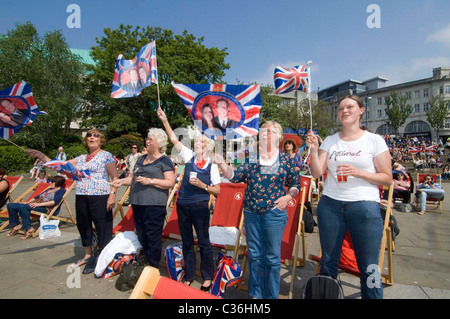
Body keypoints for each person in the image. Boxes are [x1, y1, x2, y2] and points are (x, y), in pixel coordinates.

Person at [306, 95, 392, 299]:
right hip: (330, 206)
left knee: (369, 265)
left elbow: (387, 178)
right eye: (340, 108)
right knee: (328, 261)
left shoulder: (374, 140)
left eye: (349, 107)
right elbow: (317, 173)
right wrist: (313, 150)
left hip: (364, 207)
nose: (344, 111)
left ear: (361, 110)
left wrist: (358, 172)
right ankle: (327, 295)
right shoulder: (330, 140)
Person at [212, 120, 300, 299]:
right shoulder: (253, 158)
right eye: (264, 131)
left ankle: (271, 296)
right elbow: (235, 176)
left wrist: (288, 196)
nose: (267, 133)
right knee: (254, 255)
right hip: (252, 213)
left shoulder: (285, 159)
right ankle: (256, 296)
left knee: (273, 259)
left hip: (274, 214)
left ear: (280, 137)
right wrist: (222, 164)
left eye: (272, 131)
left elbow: (295, 184)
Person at [26, 129, 118, 274]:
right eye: (89, 135)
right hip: (81, 194)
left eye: (96, 135)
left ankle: (103, 257)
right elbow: (59, 166)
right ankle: (88, 255)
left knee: (102, 227)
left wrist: (112, 195)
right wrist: (41, 156)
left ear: (101, 140)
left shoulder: (106, 156)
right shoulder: (81, 158)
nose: (92, 137)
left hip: (100, 196)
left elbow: (115, 178)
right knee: (83, 225)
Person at [157, 107, 220, 292]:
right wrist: (165, 121)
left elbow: (218, 191)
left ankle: (207, 277)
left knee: (203, 242)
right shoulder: (189, 156)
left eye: (200, 142)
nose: (196, 144)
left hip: (200, 207)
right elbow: (173, 139)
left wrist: (203, 186)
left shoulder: (212, 165)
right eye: (196, 142)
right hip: (183, 205)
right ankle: (190, 275)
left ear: (207, 147)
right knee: (186, 242)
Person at [111, 128, 175, 267]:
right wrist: (121, 182)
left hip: (154, 204)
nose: (147, 141)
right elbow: (133, 179)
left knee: (152, 237)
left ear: (159, 142)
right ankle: (146, 261)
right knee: (142, 235)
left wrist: (151, 181)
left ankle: (152, 266)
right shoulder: (141, 158)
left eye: (150, 139)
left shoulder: (165, 161)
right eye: (147, 139)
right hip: (138, 202)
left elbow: (170, 182)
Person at [6, 175, 66, 240]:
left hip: (46, 209)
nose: (50, 183)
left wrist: (38, 205)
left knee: (23, 207)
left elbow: (54, 202)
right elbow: (37, 197)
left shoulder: (61, 191)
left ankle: (29, 228)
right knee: (11, 205)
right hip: (37, 205)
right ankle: (16, 225)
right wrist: (28, 202)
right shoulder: (49, 189)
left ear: (58, 183)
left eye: (52, 182)